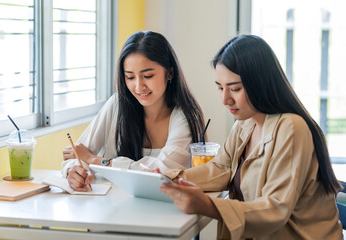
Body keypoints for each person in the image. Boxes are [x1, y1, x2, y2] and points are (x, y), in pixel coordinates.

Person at [160, 35, 343, 239]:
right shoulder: (245, 124)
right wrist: (167, 178)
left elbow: (275, 209)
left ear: (260, 83)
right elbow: (221, 168)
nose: (225, 99)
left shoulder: (291, 127)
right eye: (220, 88)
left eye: (235, 89)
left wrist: (209, 205)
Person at [62, 31, 205, 192]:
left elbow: (162, 173)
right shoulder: (117, 105)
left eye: (148, 76)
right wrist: (74, 171)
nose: (138, 86)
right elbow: (77, 155)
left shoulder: (185, 116)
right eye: (130, 77)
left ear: (170, 73)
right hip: (115, 209)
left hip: (169, 211)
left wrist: (94, 159)